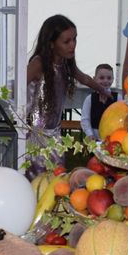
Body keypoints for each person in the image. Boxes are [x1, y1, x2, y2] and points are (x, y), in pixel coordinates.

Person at [26, 14, 111, 179]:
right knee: (37, 178)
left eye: (75, 39)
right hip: (36, 135)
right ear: (51, 43)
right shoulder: (39, 63)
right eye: (66, 41)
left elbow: (84, 78)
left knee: (57, 177)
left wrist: (103, 90)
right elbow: (20, 84)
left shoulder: (65, 63)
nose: (73, 45)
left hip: (55, 134)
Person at [80, 63, 118, 140]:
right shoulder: (89, 99)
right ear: (94, 79)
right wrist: (90, 134)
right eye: (101, 78)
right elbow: (85, 119)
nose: (105, 81)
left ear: (113, 79)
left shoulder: (118, 98)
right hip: (94, 139)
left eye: (109, 78)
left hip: (113, 139)